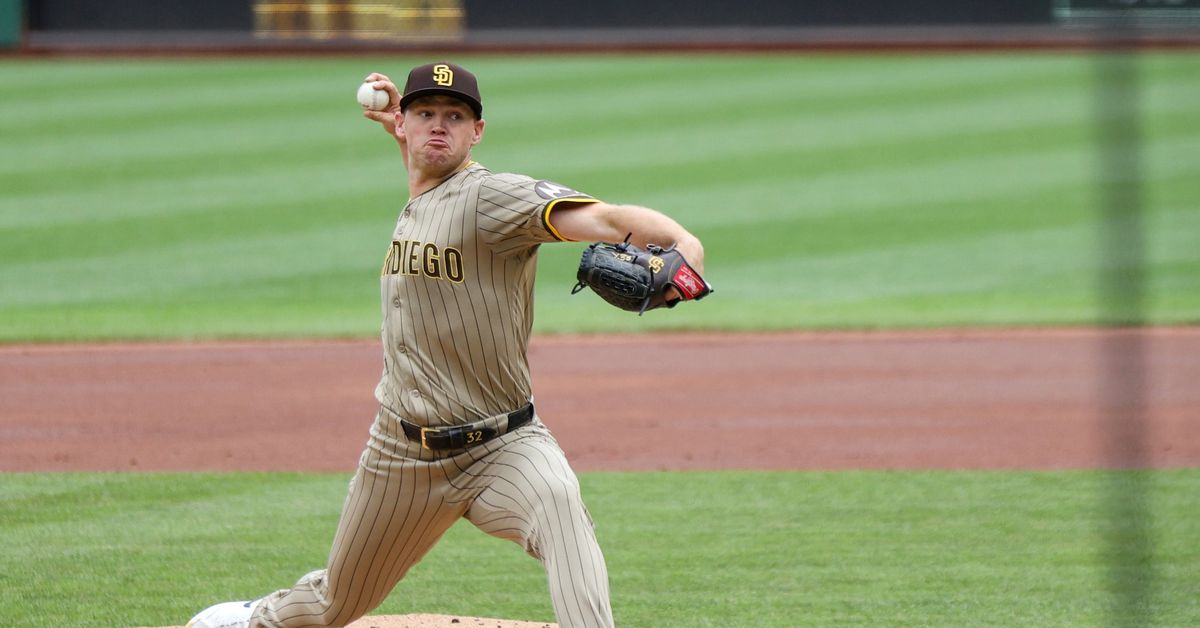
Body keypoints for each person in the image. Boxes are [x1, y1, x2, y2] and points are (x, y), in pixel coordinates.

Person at [187, 61, 706, 628]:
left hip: (505, 446)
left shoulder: (494, 197)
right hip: (400, 454)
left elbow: (605, 219)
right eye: (426, 114)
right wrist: (403, 133)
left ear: (477, 131)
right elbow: (428, 177)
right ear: (401, 125)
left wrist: (684, 242)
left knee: (561, 511)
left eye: (455, 117)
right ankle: (255, 619)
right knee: (336, 602)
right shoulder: (422, 193)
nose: (439, 125)